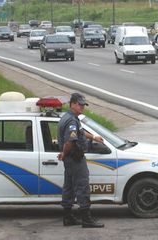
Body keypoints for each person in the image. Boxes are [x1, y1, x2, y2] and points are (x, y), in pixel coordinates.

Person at [58, 92, 104, 228]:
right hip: (75, 159)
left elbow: (80, 132)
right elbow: (69, 142)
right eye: (80, 104)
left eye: (83, 105)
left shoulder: (68, 117)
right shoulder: (72, 120)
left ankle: (68, 217)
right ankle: (86, 219)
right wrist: (64, 153)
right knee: (82, 186)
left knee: (69, 187)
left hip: (70, 159)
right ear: (72, 104)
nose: (82, 107)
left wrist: (94, 137)